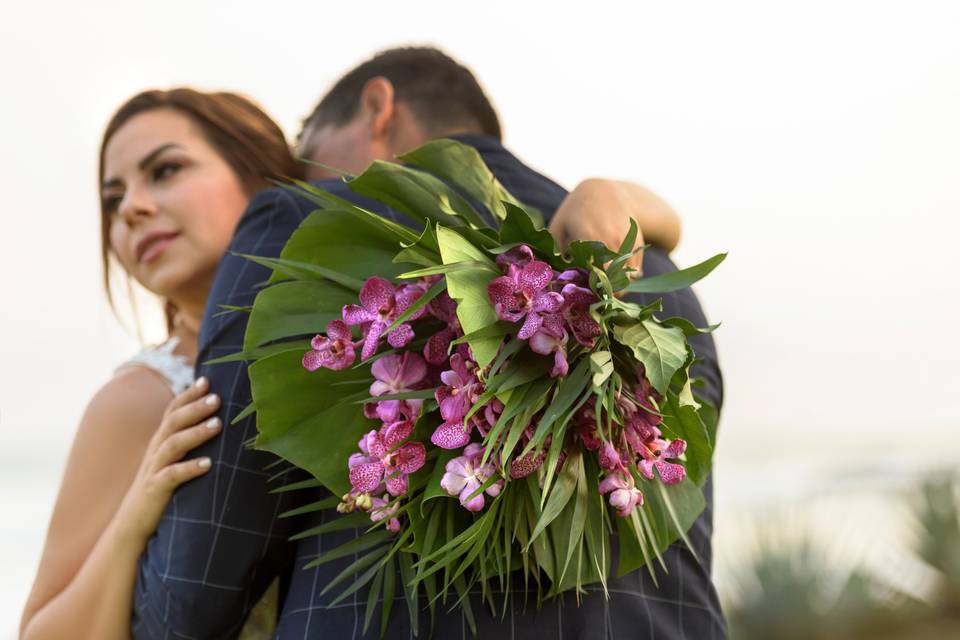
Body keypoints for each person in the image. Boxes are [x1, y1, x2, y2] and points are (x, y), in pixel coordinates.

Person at [19, 84, 684, 638]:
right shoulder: (140, 398)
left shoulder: (372, 322)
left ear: (261, 179)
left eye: (166, 171)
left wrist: (613, 195)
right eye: (111, 199)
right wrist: (136, 515)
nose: (131, 208)